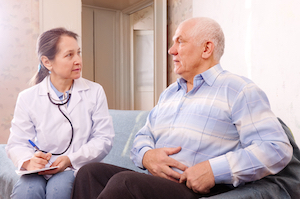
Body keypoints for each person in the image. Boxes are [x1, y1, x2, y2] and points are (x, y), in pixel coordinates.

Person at [71, 17, 293, 199]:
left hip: (192, 189)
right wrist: (147, 155)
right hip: (154, 183)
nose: (171, 50)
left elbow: (276, 148)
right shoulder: (169, 93)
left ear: (206, 48)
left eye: (180, 42)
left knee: (124, 183)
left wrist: (214, 171)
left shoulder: (238, 90)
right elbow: (142, 136)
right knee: (89, 172)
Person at [5, 27, 114, 199]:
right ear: (47, 62)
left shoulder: (94, 91)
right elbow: (17, 143)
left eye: (78, 53)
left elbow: (104, 139)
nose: (78, 60)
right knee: (27, 192)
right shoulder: (28, 98)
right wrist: (29, 161)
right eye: (69, 55)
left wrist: (70, 159)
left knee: (60, 189)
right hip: (39, 170)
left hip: (75, 166)